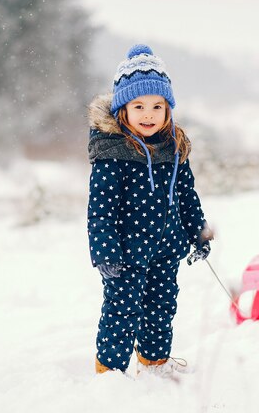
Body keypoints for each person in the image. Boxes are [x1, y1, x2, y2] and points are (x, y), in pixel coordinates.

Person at [87, 44, 212, 376]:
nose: (148, 114)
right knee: (122, 310)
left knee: (160, 307)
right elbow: (100, 210)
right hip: (126, 253)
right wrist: (105, 251)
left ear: (168, 109)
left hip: (166, 248)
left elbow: (186, 195)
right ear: (123, 109)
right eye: (139, 105)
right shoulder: (113, 154)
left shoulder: (174, 149)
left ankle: (155, 364)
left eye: (157, 106)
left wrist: (197, 232)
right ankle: (110, 373)